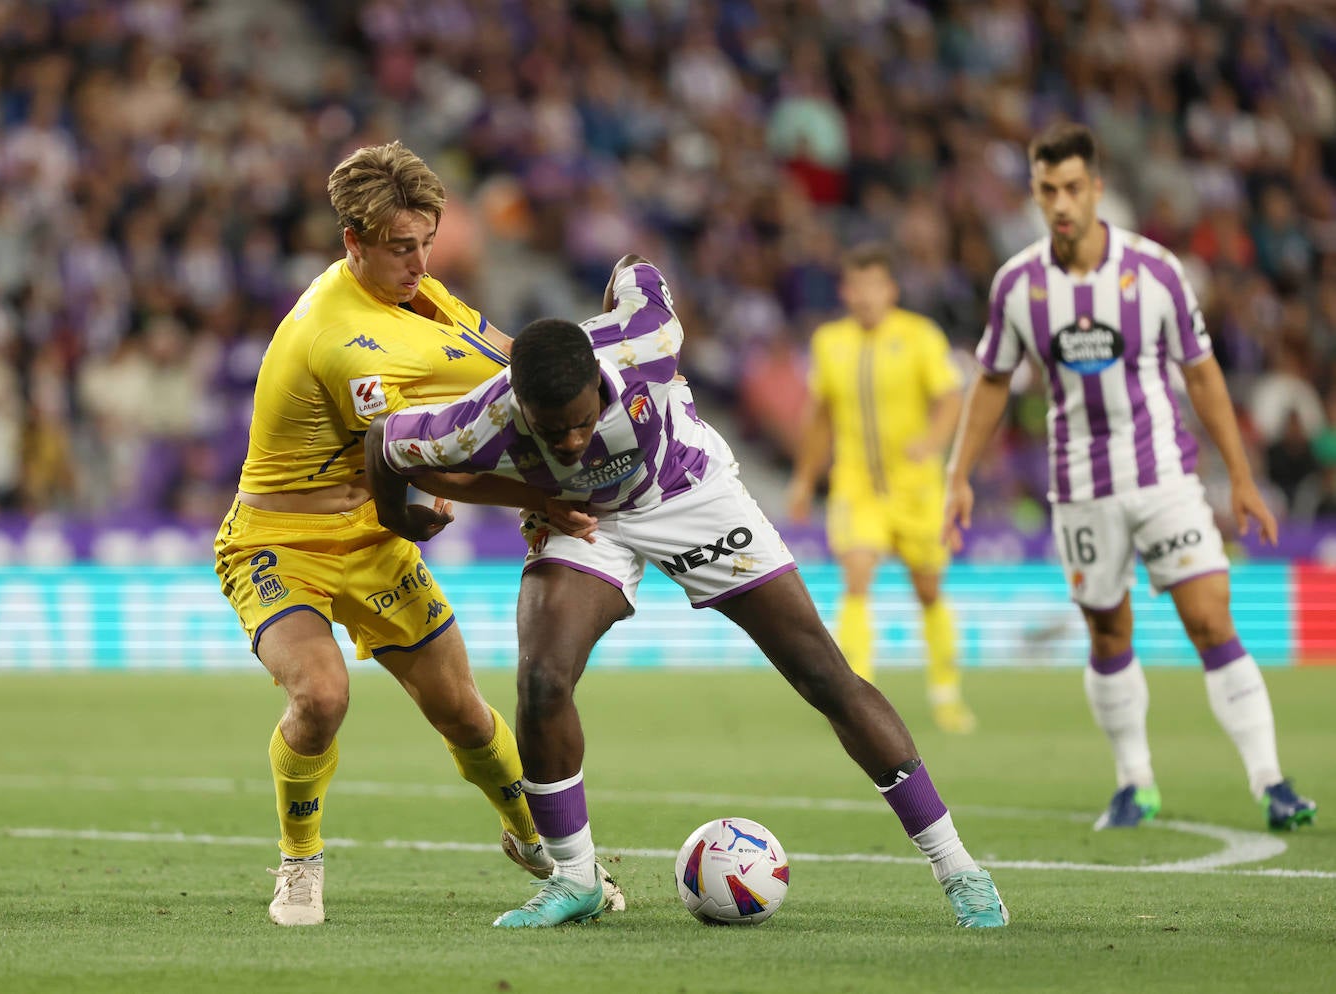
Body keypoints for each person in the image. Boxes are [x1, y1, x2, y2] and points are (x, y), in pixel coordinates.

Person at [364, 253, 1009, 929]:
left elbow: (634, 266)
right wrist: (397, 516)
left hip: (690, 492)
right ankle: (574, 877)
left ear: (600, 379)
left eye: (585, 421)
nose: (576, 439)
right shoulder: (482, 419)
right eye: (555, 432)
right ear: (520, 405)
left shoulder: (649, 339)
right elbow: (385, 442)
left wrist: (615, 293)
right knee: (542, 678)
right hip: (589, 522)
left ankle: (958, 867)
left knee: (823, 673)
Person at [213, 140, 622, 926]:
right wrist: (540, 497)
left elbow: (507, 365)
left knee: (465, 713)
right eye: (402, 247)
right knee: (322, 694)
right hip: (279, 544)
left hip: (370, 542)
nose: (420, 260)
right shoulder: (343, 342)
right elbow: (413, 469)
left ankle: (539, 841)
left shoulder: (421, 295)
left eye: (427, 241)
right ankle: (299, 862)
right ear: (352, 242)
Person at [943, 122, 1316, 832]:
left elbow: (1201, 375)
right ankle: (1134, 782)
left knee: (1210, 618)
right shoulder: (1018, 284)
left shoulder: (1155, 271)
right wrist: (959, 475)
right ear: (1034, 191)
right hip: (1079, 488)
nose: (1061, 203)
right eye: (1047, 189)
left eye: (1073, 188)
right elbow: (992, 381)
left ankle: (1272, 782)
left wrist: (1240, 477)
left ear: (1098, 189)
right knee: (1109, 633)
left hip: (1165, 477)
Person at [787, 244, 973, 733]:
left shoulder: (919, 336)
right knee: (856, 577)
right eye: (857, 287)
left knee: (928, 589)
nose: (866, 296)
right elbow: (820, 414)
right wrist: (805, 478)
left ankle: (946, 694)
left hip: (917, 489)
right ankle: (857, 695)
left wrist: (932, 442)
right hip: (857, 486)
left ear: (890, 289)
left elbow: (951, 397)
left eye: (875, 286)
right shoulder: (830, 341)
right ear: (846, 292)